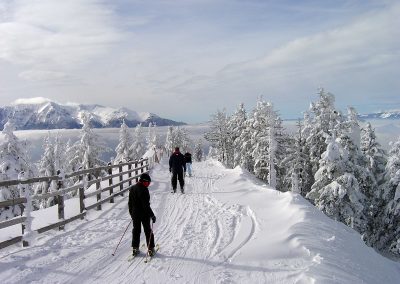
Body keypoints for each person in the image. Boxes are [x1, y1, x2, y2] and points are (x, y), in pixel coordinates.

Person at [128, 173, 156, 257]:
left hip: (135, 214)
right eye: (147, 183)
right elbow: (146, 206)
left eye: (149, 183)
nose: (148, 185)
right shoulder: (144, 190)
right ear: (143, 181)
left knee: (136, 230)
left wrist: (131, 213)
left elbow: (130, 203)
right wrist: (152, 215)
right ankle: (151, 249)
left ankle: (135, 248)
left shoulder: (132, 188)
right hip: (144, 214)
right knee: (147, 230)